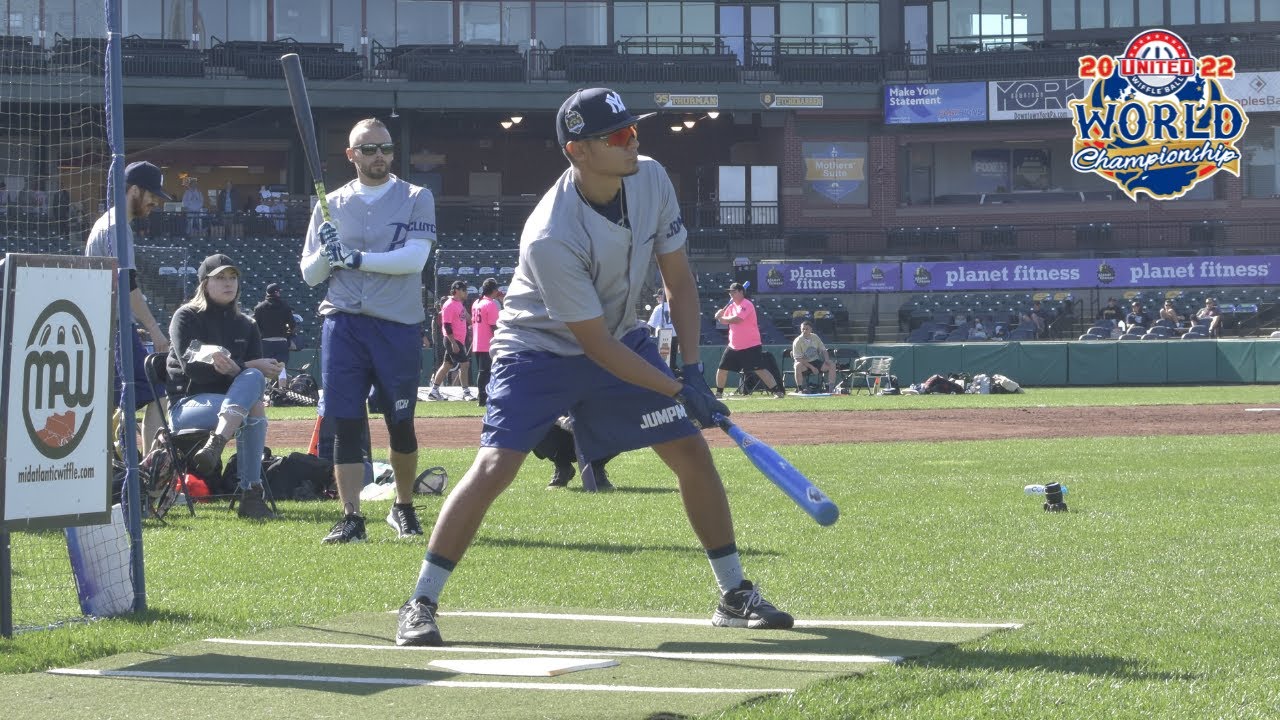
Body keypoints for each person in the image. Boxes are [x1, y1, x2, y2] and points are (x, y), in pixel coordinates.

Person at [395, 88, 792, 648]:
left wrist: (692, 370)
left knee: (690, 453)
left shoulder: (652, 178)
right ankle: (420, 602)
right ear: (576, 151)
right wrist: (678, 390)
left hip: (620, 332)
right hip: (537, 350)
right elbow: (596, 346)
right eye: (618, 136)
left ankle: (733, 594)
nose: (633, 143)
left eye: (633, 131)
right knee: (495, 467)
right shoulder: (551, 234)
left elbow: (679, 281)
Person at [300, 117, 436, 544]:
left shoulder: (416, 197)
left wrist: (355, 258)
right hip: (343, 322)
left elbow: (414, 260)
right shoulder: (330, 205)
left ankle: (403, 506)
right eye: (369, 149)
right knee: (345, 423)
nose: (379, 155)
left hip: (397, 324)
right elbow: (310, 274)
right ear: (351, 155)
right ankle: (351, 517)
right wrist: (327, 252)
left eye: (386, 148)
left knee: (401, 421)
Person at [166, 254, 281, 519]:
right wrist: (244, 366)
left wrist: (240, 368)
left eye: (233, 277)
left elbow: (250, 380)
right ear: (204, 284)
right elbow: (194, 371)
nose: (228, 283)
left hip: (231, 408)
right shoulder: (186, 317)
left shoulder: (247, 324)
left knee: (253, 380)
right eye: (220, 278)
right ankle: (251, 493)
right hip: (189, 405)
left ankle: (217, 443)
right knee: (252, 399)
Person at [84, 161, 172, 454]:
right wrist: (155, 331)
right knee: (157, 394)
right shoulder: (118, 226)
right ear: (134, 190)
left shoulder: (106, 222)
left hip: (103, 325)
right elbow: (128, 284)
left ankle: (117, 462)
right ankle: (148, 469)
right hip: (115, 327)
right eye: (151, 195)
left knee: (113, 401)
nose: (155, 202)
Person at [713, 282, 785, 398]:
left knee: (760, 370)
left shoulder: (747, 304)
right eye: (730, 292)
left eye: (734, 292)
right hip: (733, 346)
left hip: (751, 345)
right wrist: (718, 315)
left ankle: (777, 391)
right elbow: (722, 320)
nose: (731, 294)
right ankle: (719, 393)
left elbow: (737, 319)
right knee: (722, 369)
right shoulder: (731, 306)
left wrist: (721, 318)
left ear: (741, 292)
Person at [536, 415, 614, 490]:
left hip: (593, 427)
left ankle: (596, 468)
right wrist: (561, 421)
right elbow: (539, 410)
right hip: (561, 433)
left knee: (617, 424)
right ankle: (563, 468)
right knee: (532, 426)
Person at [427, 280, 472, 401]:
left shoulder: (459, 303)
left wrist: (474, 323)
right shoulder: (449, 305)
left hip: (458, 340)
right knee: (465, 364)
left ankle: (434, 391)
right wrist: (453, 343)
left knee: (447, 365)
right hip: (453, 340)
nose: (466, 292)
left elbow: (467, 316)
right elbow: (447, 326)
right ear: (457, 291)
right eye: (464, 290)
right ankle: (466, 392)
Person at [470, 278, 501, 406]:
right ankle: (483, 398)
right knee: (485, 372)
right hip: (487, 343)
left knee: (483, 372)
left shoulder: (476, 302)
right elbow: (494, 326)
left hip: (477, 342)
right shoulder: (490, 304)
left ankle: (483, 397)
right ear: (493, 290)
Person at [253, 282, 296, 368]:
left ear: (267, 293)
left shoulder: (259, 308)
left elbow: (255, 327)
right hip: (281, 342)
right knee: (281, 369)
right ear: (277, 293)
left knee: (266, 370)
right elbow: (292, 325)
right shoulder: (285, 306)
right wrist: (288, 335)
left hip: (265, 343)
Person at [790, 320, 836, 393]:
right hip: (804, 363)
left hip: (815, 361)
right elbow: (798, 359)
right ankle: (800, 389)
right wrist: (812, 368)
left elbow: (824, 350)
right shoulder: (797, 341)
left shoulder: (815, 337)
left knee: (831, 364)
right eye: (803, 329)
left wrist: (827, 360)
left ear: (811, 329)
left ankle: (831, 389)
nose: (804, 331)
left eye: (807, 329)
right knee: (797, 366)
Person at [646, 289, 678, 372]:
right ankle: (673, 375)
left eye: (658, 296)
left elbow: (651, 325)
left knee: (664, 361)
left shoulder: (659, 308)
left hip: (664, 335)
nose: (657, 298)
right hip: (675, 334)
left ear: (662, 297)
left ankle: (665, 376)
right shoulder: (676, 306)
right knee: (672, 361)